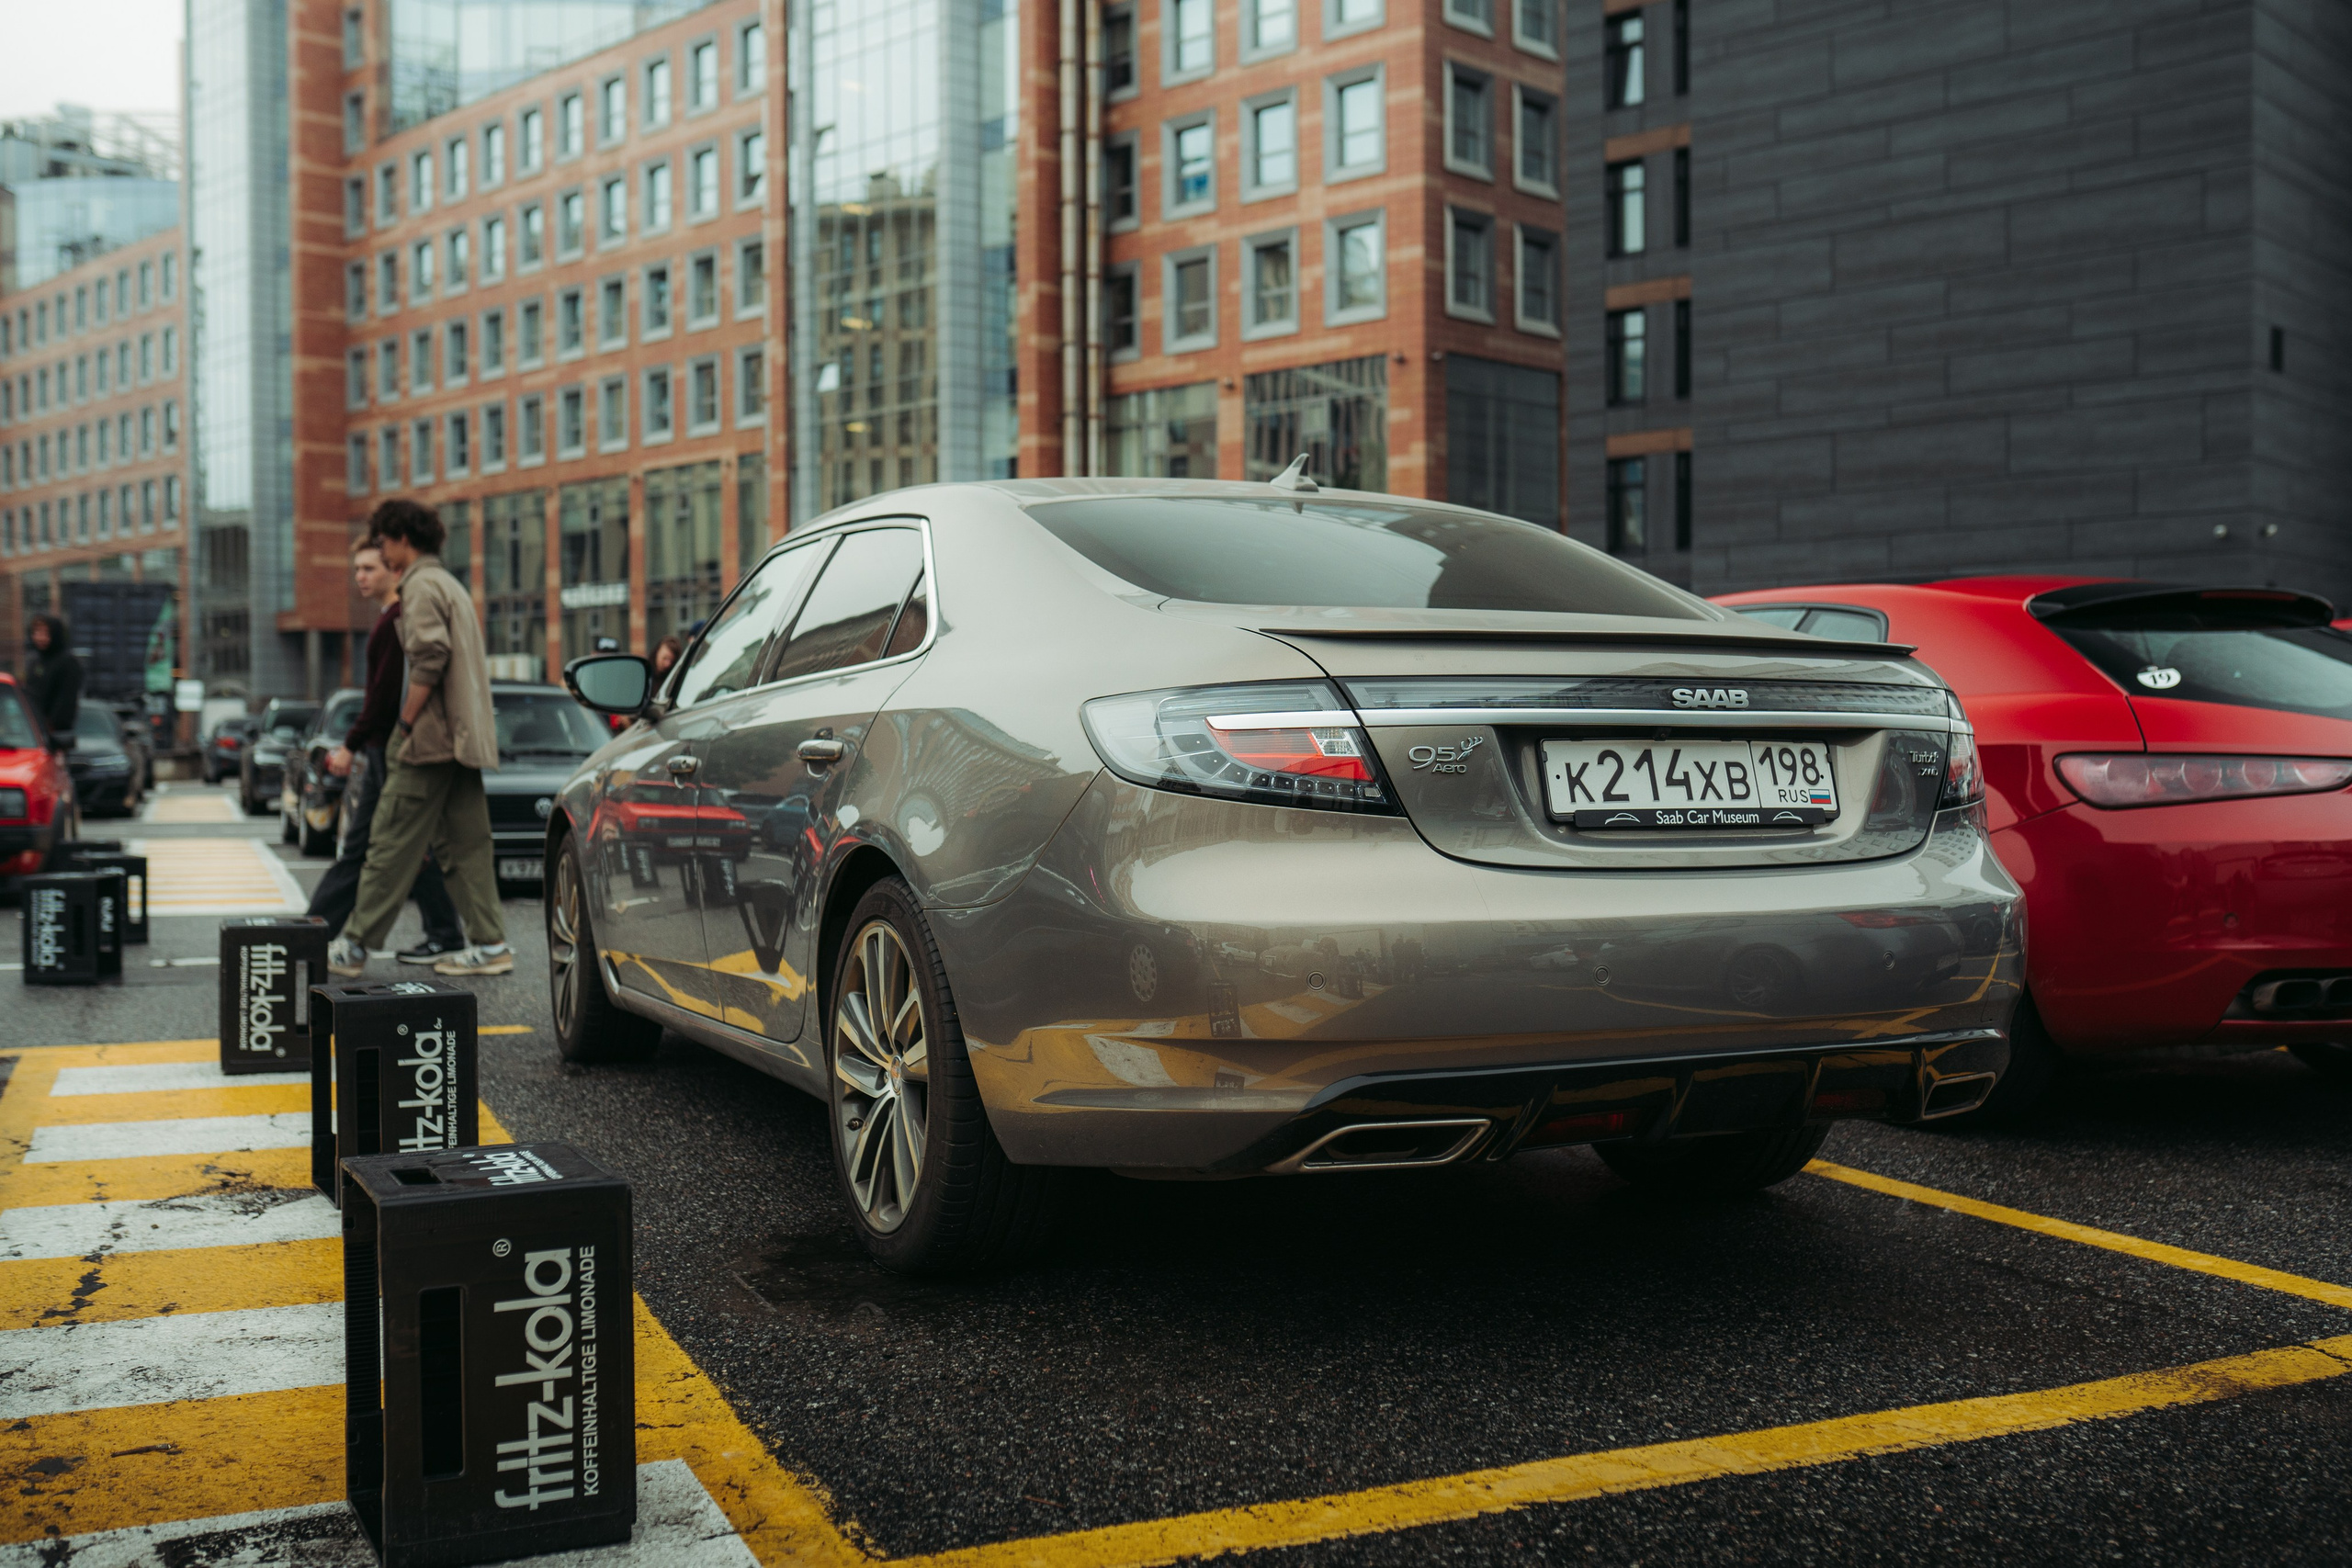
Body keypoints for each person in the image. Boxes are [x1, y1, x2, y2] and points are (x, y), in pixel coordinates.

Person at [329, 499, 513, 978]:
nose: (384, 553)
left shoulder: (420, 587)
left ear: (403, 540)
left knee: (389, 842)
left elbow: (429, 658)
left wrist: (405, 723)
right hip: (460, 739)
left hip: (428, 740)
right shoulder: (448, 583)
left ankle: (352, 947)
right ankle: (491, 947)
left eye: (385, 543)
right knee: (468, 846)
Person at [306, 538, 466, 961]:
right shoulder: (388, 618)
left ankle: (312, 932)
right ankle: (445, 933)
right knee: (414, 847)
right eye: (356, 569)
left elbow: (380, 698)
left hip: (385, 749)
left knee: (367, 847)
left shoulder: (395, 620)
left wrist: (351, 745)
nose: (361, 577)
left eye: (370, 569)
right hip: (384, 748)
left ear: (394, 571)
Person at [23, 615, 82, 740]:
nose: (40, 638)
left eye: (45, 633)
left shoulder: (67, 662)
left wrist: (52, 725)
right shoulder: (35, 661)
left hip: (55, 734)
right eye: (37, 632)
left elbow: (66, 700)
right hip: (32, 730)